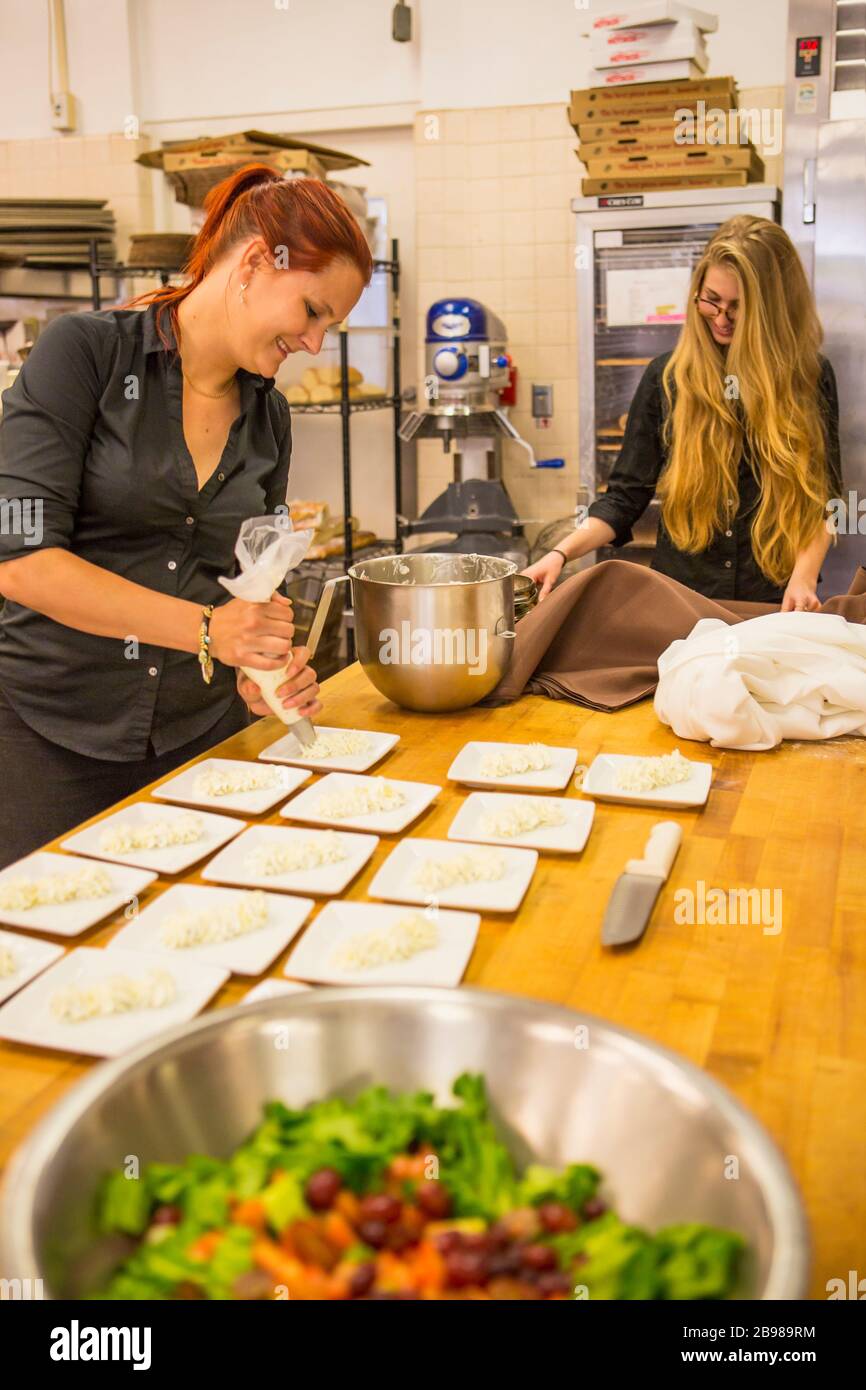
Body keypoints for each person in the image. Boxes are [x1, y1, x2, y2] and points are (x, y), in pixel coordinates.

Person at [0, 163, 371, 867]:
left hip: (199, 736)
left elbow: (254, 575)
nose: (317, 343)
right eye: (314, 311)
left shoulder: (270, 415)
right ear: (258, 263)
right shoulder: (84, 355)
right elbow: (23, 563)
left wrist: (264, 665)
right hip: (52, 738)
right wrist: (209, 631)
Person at [523, 216, 842, 610]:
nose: (721, 318)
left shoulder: (808, 377)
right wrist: (560, 553)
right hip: (683, 601)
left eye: (739, 308)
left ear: (771, 310)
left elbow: (823, 500)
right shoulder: (666, 379)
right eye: (711, 300)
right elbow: (624, 498)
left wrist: (804, 578)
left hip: (775, 602)